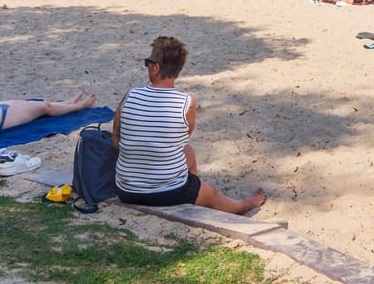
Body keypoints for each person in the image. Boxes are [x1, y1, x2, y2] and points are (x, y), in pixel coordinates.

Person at [113, 35, 266, 214]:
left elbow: (116, 139)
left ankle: (190, 190)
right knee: (212, 193)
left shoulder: (130, 96)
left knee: (188, 152)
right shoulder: (186, 103)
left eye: (148, 62)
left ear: (156, 68)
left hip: (125, 190)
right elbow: (181, 138)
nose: (147, 67)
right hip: (166, 193)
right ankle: (244, 205)